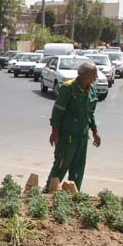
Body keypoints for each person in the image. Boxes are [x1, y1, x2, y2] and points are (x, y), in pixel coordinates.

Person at [45, 61, 102, 192]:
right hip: (68, 136)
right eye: (93, 75)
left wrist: (95, 131)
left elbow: (90, 113)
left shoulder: (92, 90)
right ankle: (49, 192)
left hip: (82, 136)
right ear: (83, 75)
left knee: (78, 168)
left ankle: (72, 194)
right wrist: (54, 132)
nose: (95, 77)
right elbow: (57, 111)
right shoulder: (68, 88)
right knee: (61, 165)